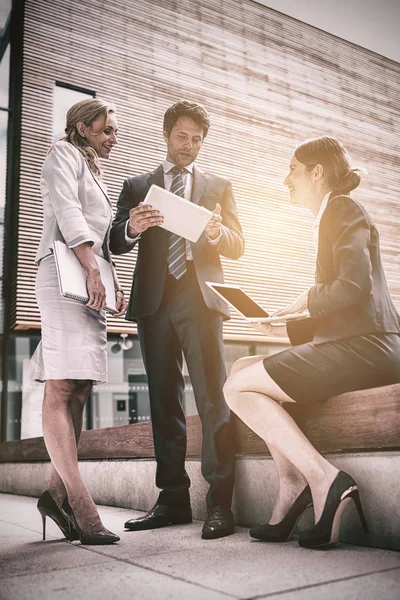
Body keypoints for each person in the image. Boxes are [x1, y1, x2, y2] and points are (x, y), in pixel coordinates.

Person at [223, 136, 400, 549]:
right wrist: (284, 326)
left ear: (316, 172)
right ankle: (290, 485)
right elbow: (344, 306)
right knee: (238, 370)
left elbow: (353, 288)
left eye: (293, 170)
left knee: (236, 388)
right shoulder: (331, 214)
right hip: (357, 342)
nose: (287, 179)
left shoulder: (342, 207)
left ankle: (323, 478)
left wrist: (304, 299)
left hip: (369, 348)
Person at [110, 100, 244, 539]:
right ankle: (171, 501)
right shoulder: (136, 185)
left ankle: (220, 503)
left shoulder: (219, 185)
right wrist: (132, 227)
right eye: (182, 137)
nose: (189, 147)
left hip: (200, 300)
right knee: (165, 403)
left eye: (197, 140)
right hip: (155, 302)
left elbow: (239, 244)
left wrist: (216, 233)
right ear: (167, 135)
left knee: (212, 400)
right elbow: (114, 240)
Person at [31, 98, 127, 545]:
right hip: (63, 273)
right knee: (61, 385)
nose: (113, 138)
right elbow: (69, 213)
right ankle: (82, 505)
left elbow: (103, 240)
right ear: (84, 128)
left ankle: (54, 494)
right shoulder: (62, 154)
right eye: (106, 130)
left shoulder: (95, 170)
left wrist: (112, 280)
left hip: (88, 279)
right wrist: (91, 268)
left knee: (81, 387)